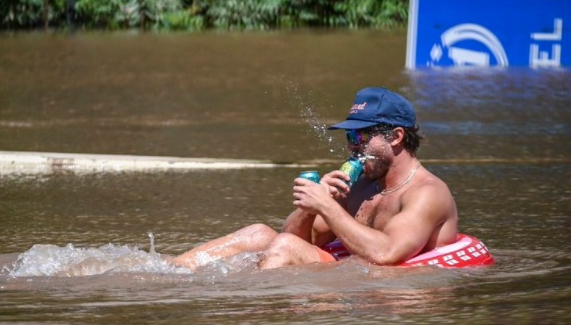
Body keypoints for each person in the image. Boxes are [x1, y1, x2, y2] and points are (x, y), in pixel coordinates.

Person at [171, 86, 458, 270]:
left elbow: (387, 253)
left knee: (284, 249)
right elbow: (299, 237)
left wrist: (328, 207)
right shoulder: (362, 184)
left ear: (395, 137)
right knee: (259, 233)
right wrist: (310, 207)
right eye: (349, 136)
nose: (351, 146)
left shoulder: (426, 193)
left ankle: (252, 312)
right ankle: (166, 272)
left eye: (360, 136)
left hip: (391, 296)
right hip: (353, 273)